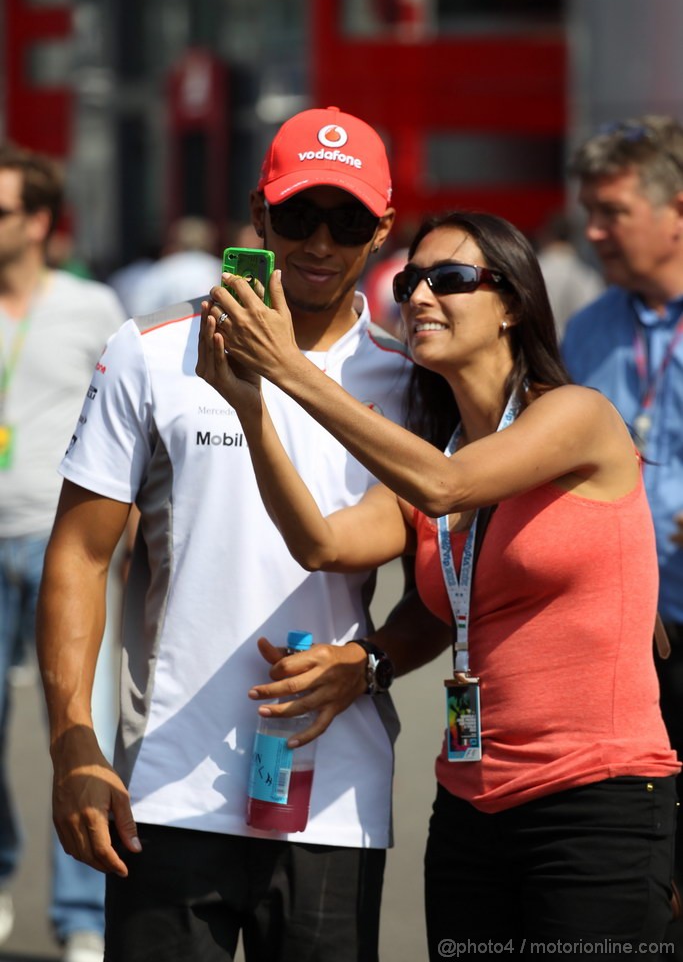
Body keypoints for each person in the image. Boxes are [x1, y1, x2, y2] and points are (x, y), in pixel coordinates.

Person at [197, 208, 679, 959]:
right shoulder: (431, 454)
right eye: (412, 279)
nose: (419, 295)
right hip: (467, 808)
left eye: (449, 279)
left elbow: (449, 487)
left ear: (512, 304)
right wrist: (251, 403)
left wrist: (288, 366)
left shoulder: (576, 418)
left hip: (592, 804)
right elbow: (321, 543)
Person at [36, 106, 418, 962]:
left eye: (348, 220)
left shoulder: (409, 382)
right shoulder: (150, 350)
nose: (320, 241)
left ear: (384, 229)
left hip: (334, 791)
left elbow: (438, 585)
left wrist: (374, 658)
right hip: (164, 787)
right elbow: (80, 554)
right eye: (298, 216)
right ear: (258, 213)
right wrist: (71, 741)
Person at [0, 144, 125, 962]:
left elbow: (126, 425)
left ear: (40, 222)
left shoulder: (93, 306)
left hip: (61, 536)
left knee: (77, 727)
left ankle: (82, 916)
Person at [562, 114, 683, 920]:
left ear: (675, 209)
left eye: (612, 212)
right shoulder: (587, 329)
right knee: (645, 864)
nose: (595, 232)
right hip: (626, 640)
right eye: (589, 214)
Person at [534, 210, 603, 338]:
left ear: (545, 234)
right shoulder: (587, 275)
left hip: (540, 350)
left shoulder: (532, 271)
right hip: (578, 349)